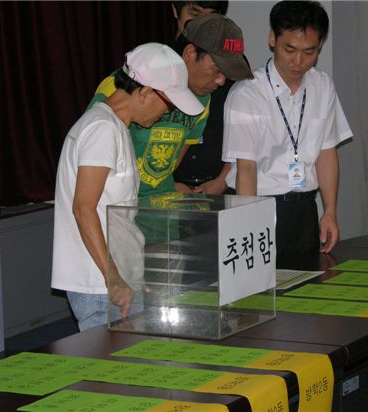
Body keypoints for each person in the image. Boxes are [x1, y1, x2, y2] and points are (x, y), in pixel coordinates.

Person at [51, 43, 204, 331]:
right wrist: (114, 279)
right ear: (145, 91)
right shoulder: (102, 129)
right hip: (100, 285)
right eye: (169, 103)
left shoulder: (112, 126)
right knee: (109, 372)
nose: (167, 112)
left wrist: (129, 272)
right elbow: (84, 208)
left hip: (112, 280)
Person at [222, 1, 353, 268]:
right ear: (273, 39)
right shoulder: (248, 94)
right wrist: (250, 231)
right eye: (289, 49)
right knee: (261, 300)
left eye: (309, 52)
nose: (298, 61)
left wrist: (329, 210)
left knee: (308, 295)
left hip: (304, 209)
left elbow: (326, 152)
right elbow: (246, 169)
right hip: (260, 207)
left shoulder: (322, 86)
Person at [88, 12, 252, 201]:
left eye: (226, 74)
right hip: (119, 202)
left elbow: (171, 162)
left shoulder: (203, 100)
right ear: (190, 53)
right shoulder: (126, 84)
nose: (221, 81)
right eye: (216, 70)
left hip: (160, 205)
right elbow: (93, 145)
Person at [170, 1, 236, 194]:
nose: (203, 24)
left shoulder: (231, 61)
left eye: (212, 17)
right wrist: (165, 184)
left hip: (219, 185)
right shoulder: (156, 61)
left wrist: (223, 180)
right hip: (168, 187)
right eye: (195, 14)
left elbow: (245, 131)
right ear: (175, 10)